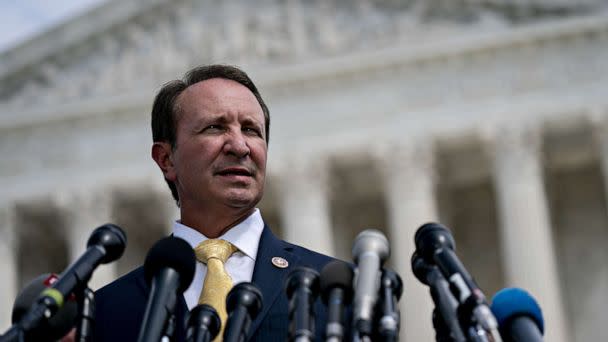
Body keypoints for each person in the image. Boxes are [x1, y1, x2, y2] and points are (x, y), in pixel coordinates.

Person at [93, 65, 340, 341]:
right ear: (166, 159)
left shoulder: (336, 291)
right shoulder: (106, 311)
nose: (240, 146)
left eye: (251, 130)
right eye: (214, 128)